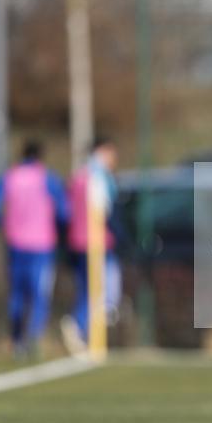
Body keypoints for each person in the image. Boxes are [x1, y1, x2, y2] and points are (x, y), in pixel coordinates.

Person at [0, 139, 69, 358]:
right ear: (41, 156)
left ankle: (16, 341)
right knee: (39, 292)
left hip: (15, 243)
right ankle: (34, 336)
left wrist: (5, 224)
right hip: (41, 245)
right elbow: (64, 212)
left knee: (17, 294)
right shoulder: (47, 178)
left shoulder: (10, 177)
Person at [61, 136, 122, 350]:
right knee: (100, 288)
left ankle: (82, 329)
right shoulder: (99, 177)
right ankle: (79, 324)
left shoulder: (79, 176)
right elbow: (105, 211)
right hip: (96, 242)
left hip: (77, 242)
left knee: (87, 288)